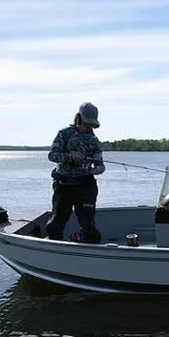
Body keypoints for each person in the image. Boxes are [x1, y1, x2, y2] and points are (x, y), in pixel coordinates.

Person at [45, 102, 106, 243]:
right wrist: (70, 157)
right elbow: (52, 155)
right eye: (86, 123)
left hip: (86, 186)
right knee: (57, 222)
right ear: (79, 118)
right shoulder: (64, 134)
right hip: (64, 185)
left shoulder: (95, 142)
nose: (88, 127)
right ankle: (54, 249)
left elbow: (101, 165)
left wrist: (97, 170)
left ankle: (89, 251)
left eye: (91, 124)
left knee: (89, 225)